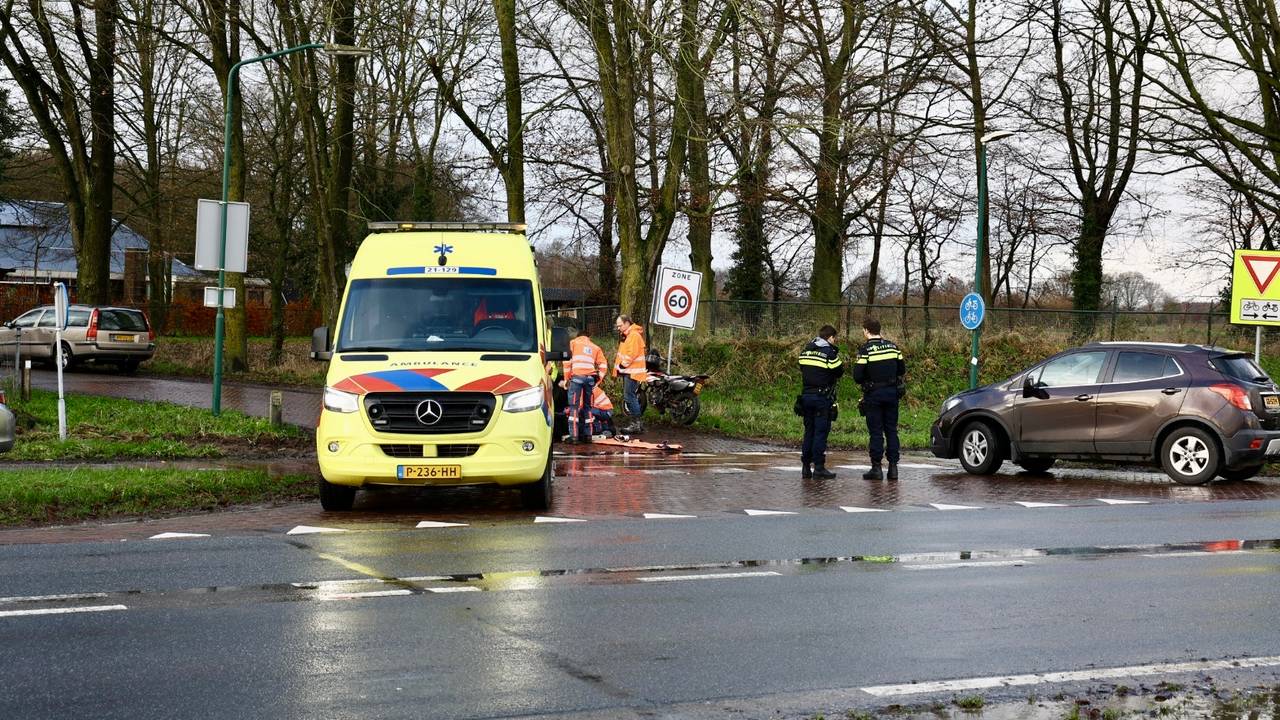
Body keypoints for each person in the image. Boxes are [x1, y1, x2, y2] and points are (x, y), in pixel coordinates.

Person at [853, 317, 906, 480]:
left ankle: (876, 468)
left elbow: (857, 376)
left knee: (876, 432)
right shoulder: (893, 347)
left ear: (867, 331)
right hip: (892, 394)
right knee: (891, 430)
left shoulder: (865, 350)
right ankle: (893, 468)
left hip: (874, 395)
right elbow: (901, 369)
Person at [797, 324, 844, 479]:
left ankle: (805, 467)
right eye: (834, 338)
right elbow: (839, 371)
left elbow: (802, 367)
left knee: (808, 431)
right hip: (821, 398)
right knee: (820, 432)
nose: (834, 341)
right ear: (830, 337)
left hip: (806, 397)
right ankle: (819, 467)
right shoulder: (828, 353)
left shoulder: (806, 350)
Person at [562, 328, 608, 443]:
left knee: (574, 407)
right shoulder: (595, 347)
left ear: (578, 336)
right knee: (588, 407)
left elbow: (567, 362)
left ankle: (574, 436)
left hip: (577, 378)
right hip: (590, 379)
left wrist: (566, 378)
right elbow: (603, 364)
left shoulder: (573, 343)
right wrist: (598, 379)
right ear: (589, 337)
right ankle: (588, 436)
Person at [613, 314, 648, 434]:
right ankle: (637, 424)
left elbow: (630, 354)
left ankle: (636, 424)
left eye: (620, 325)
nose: (618, 328)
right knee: (630, 396)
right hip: (630, 372)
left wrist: (622, 365)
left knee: (629, 397)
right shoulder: (629, 335)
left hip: (631, 372)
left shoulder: (633, 335)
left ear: (627, 323)